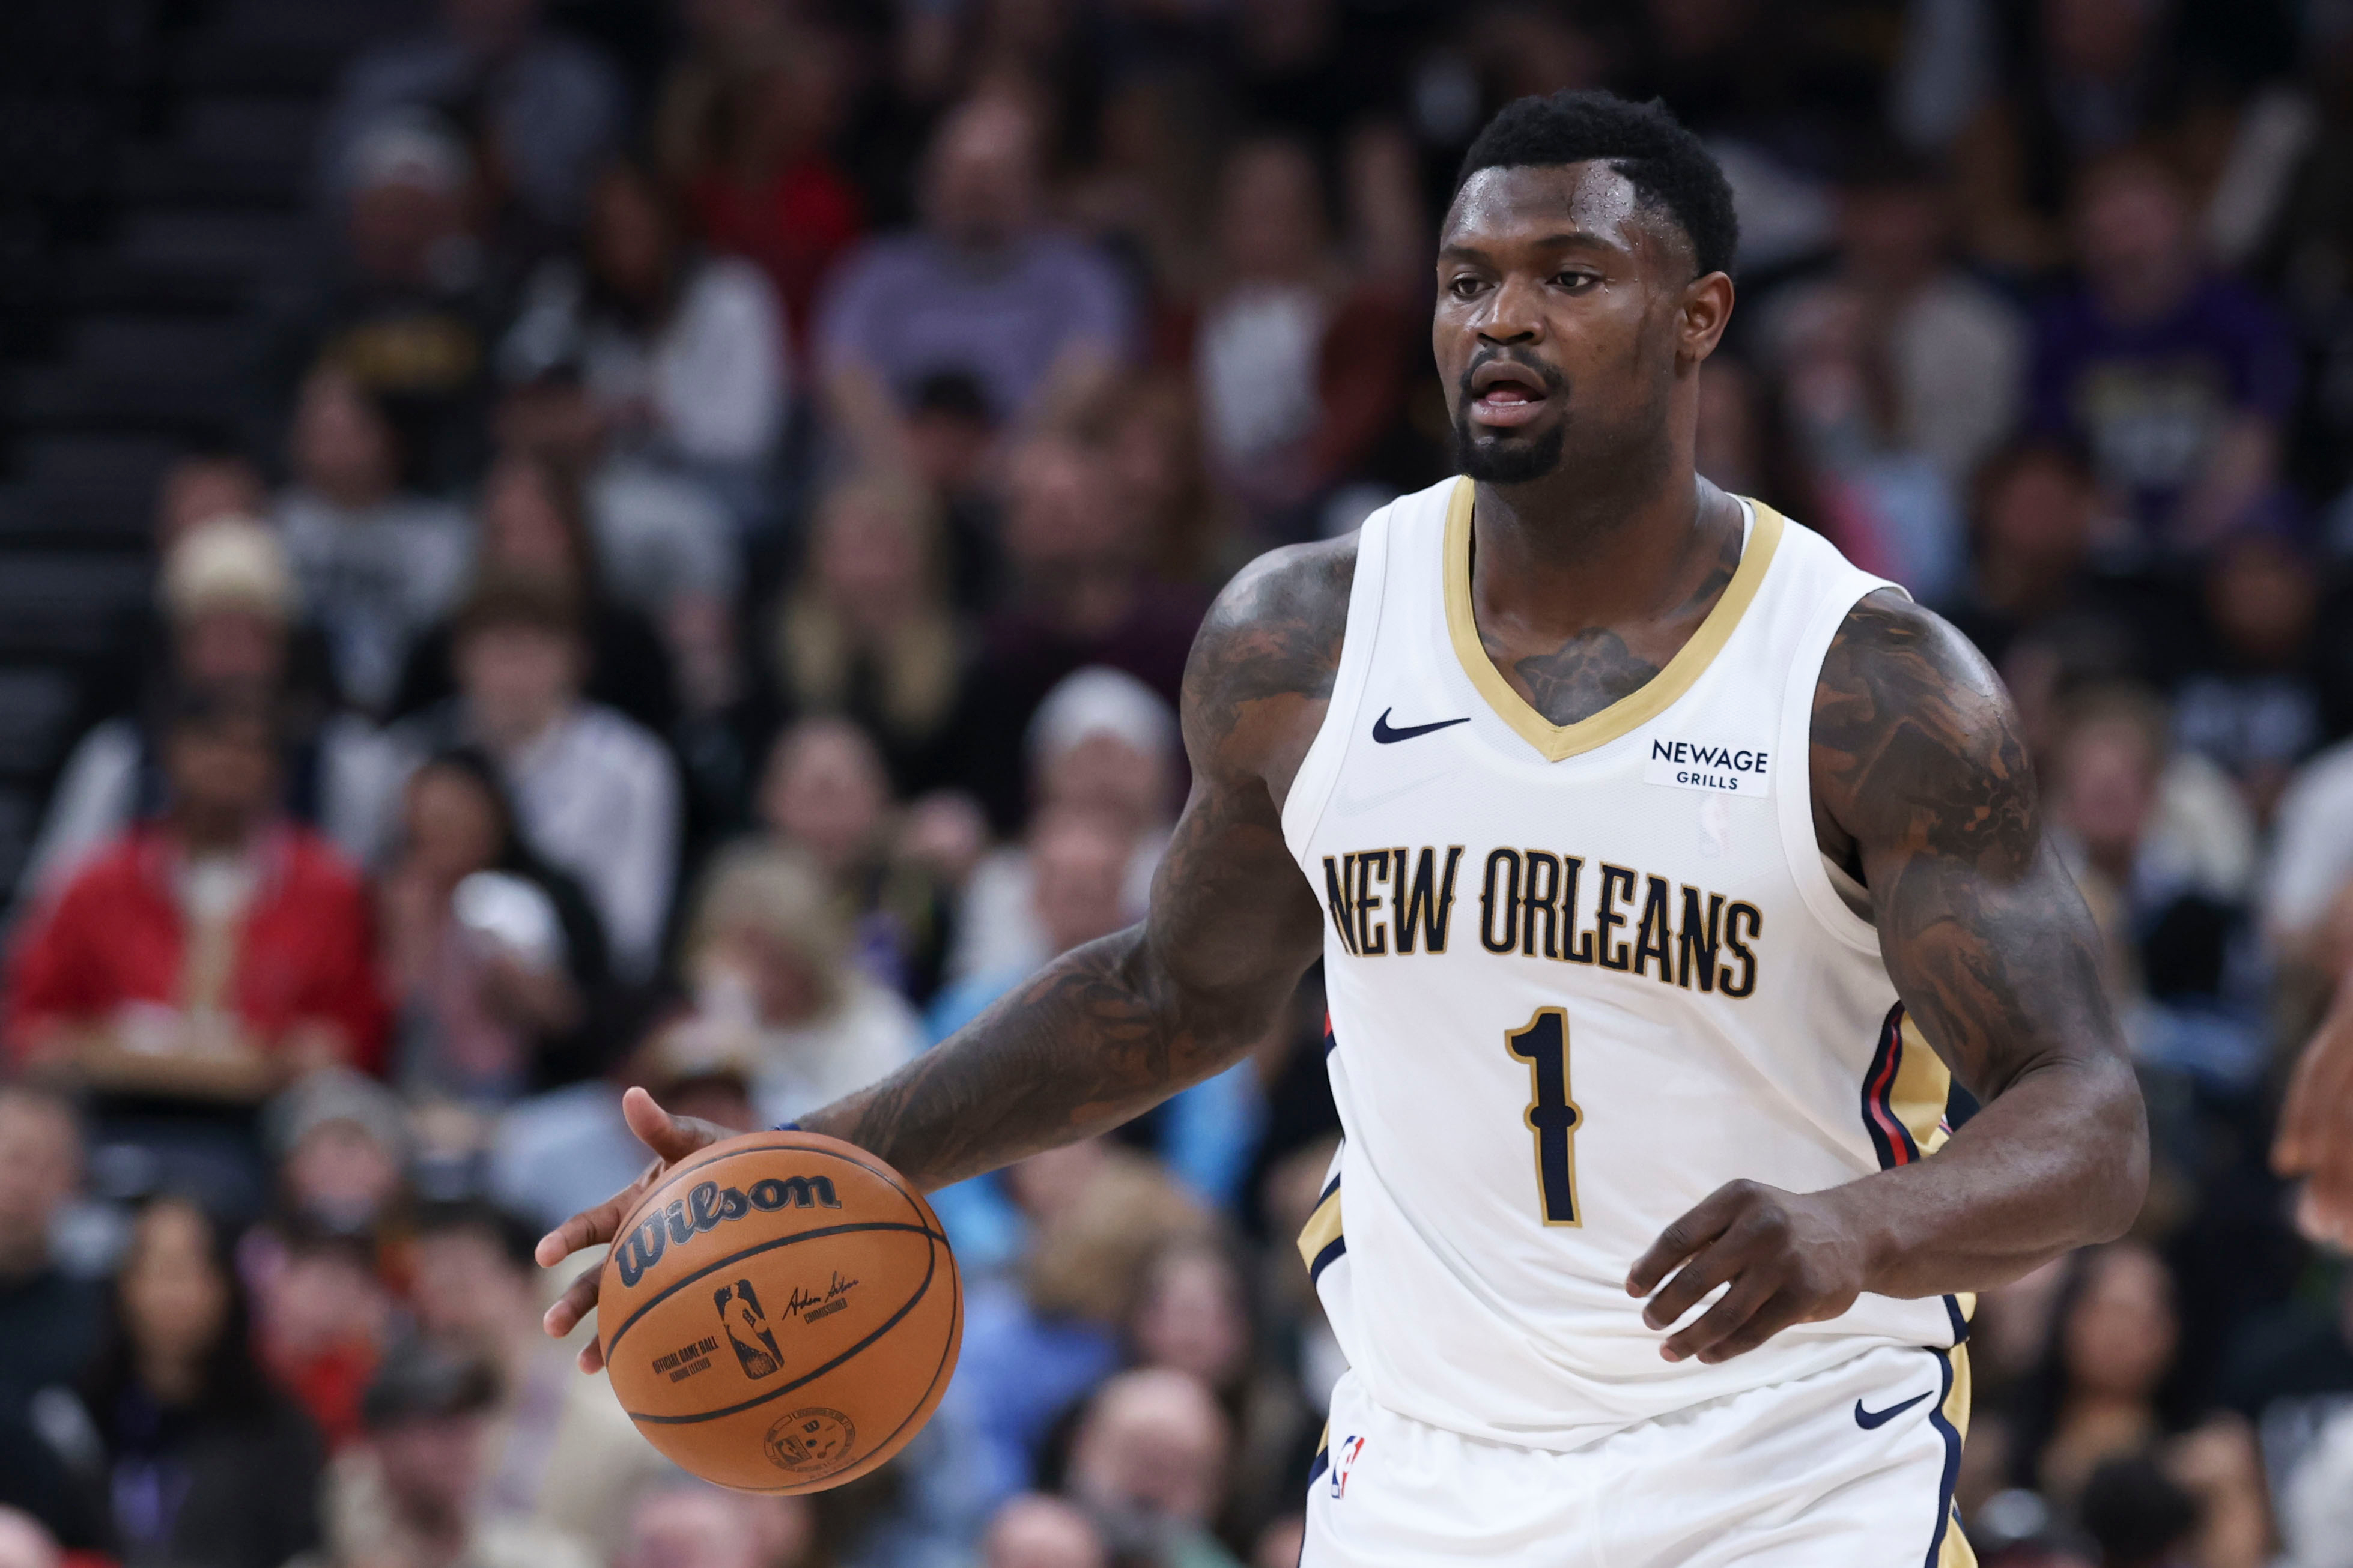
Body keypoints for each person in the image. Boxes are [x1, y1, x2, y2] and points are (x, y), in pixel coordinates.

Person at [542, 89, 2148, 1566]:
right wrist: (809, 1156)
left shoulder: (1863, 682)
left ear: (1695, 318)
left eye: (1569, 276)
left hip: (1787, 1464)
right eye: (1464, 279)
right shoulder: (1301, 639)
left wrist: (1852, 1226)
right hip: (1422, 1467)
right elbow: (1175, 993)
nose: (1500, 317)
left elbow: (2084, 1117)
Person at [7, 686, 387, 1163]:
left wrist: (325, 1047)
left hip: (270, 1121)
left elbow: (358, 1023)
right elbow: (33, 1015)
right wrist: (57, 1043)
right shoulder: (99, 880)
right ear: (173, 753)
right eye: (211, 743)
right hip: (115, 1108)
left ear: (277, 770)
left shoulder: (329, 887)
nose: (229, 762)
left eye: (250, 748)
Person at [387, 574, 679, 982]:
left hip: (579, 992)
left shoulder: (633, 768)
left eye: (535, 651)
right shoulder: (409, 756)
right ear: (460, 658)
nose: (515, 674)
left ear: (577, 661)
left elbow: (631, 939)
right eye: (500, 650)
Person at [815, 94, 1135, 429]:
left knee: (1060, 480)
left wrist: (1011, 457)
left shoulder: (1080, 275)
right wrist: (900, 467)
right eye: (964, 173)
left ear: (1035, 183)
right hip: (893, 461)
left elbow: (1096, 367)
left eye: (997, 174)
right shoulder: (876, 270)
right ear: (927, 181)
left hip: (1032, 461)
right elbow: (842, 370)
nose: (978, 190)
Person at [78, 1197, 325, 1568]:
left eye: (191, 1269)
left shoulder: (277, 1431)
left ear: (228, 1288)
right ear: (123, 1285)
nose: (172, 1292)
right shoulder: (81, 1419)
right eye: (156, 1268)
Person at [375, 749, 610, 1102]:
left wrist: (510, 970)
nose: (439, 839)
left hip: (530, 1094)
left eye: (452, 823)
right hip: (409, 1087)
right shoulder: (390, 897)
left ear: (493, 820)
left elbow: (579, 1020)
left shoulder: (544, 896)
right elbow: (390, 1005)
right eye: (429, 826)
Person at [274, 366, 473, 716]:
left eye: (350, 429)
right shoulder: (272, 528)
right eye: (321, 431)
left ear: (389, 435)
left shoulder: (442, 536)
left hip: (420, 711)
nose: (337, 447)